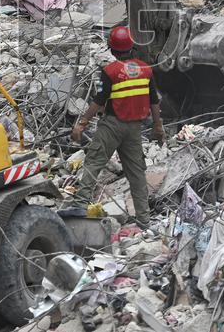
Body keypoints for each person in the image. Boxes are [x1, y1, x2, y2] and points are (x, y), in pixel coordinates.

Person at [70, 25, 165, 228]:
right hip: (134, 129)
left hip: (112, 126)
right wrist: (158, 126)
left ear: (112, 50)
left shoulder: (110, 71)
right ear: (132, 47)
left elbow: (99, 101)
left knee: (94, 162)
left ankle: (79, 206)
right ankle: (144, 220)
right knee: (136, 174)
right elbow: (154, 101)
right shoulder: (146, 70)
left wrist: (82, 123)